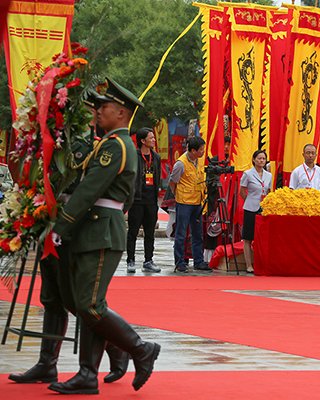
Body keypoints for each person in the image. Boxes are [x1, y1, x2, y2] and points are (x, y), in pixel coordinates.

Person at [8, 93, 128, 386]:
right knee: (52, 295)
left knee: (78, 299)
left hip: (72, 225)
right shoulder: (53, 141)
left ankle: (117, 346)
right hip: (49, 218)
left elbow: (86, 189)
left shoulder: (92, 145)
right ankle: (47, 363)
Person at [50, 78, 161, 394]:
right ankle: (88, 373)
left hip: (101, 230)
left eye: (104, 106)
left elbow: (90, 189)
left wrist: (62, 225)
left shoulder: (116, 145)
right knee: (86, 303)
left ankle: (140, 348)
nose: (98, 111)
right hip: (95, 228)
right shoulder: (110, 143)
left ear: (122, 113)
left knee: (90, 305)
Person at [169, 136, 209, 272]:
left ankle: (199, 261)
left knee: (198, 234)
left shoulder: (199, 161)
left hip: (197, 201)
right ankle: (180, 262)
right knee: (181, 233)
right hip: (184, 202)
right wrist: (177, 195)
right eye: (201, 150)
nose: (203, 152)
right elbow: (173, 182)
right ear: (193, 150)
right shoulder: (181, 164)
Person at [126, 127, 161, 273]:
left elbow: (157, 177)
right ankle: (130, 260)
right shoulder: (134, 156)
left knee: (150, 232)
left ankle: (148, 260)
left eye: (153, 137)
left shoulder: (156, 157)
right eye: (151, 138)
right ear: (142, 141)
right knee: (133, 232)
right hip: (137, 199)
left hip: (151, 200)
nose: (153, 140)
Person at [240, 150, 272, 273]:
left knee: (261, 237)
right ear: (254, 160)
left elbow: (268, 191)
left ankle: (261, 263)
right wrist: (249, 200)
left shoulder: (268, 175)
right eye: (259, 158)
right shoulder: (248, 174)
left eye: (263, 159)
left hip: (263, 208)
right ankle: (249, 265)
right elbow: (242, 191)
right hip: (250, 208)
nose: (261, 161)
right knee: (248, 237)